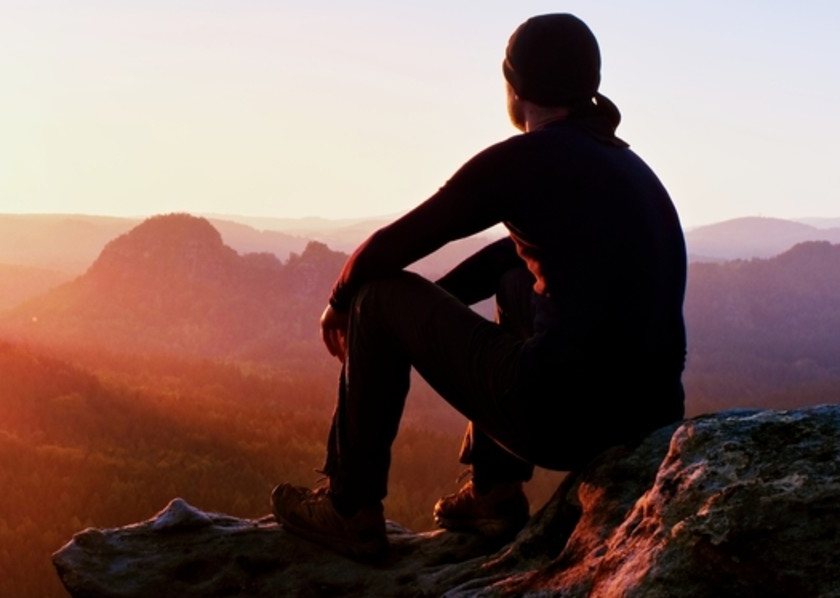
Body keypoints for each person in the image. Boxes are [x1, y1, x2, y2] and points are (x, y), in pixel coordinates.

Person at [271, 13, 687, 561]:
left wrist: (343, 302)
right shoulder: (624, 162)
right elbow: (510, 258)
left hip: (563, 420)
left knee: (375, 295)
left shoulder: (526, 159)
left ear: (514, 89)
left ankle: (350, 508)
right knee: (516, 281)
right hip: (646, 419)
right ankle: (495, 493)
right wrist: (427, 317)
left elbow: (398, 242)